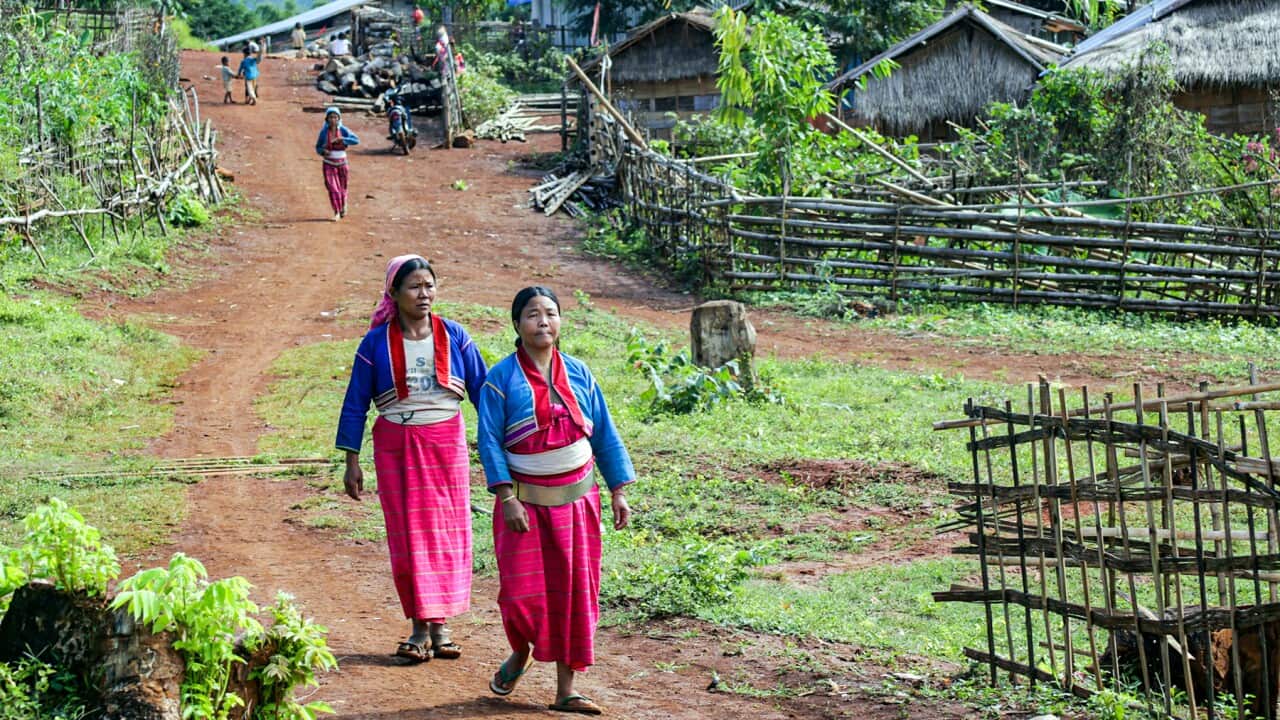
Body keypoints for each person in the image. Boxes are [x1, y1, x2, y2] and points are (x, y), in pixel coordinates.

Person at [478, 286, 635, 716]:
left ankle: (566, 689)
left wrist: (618, 490)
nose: (543, 321)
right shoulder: (500, 379)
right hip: (524, 505)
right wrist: (506, 496)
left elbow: (604, 434)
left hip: (579, 502)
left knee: (574, 593)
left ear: (561, 322)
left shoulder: (582, 374)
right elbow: (489, 441)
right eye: (532, 314)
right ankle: (520, 651)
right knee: (520, 594)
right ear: (517, 325)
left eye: (550, 313)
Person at [336, 255, 488, 664]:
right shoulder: (374, 344)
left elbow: (484, 395)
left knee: (446, 531)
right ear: (394, 294)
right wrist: (351, 460)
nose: (424, 294)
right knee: (408, 535)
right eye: (415, 287)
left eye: (429, 286)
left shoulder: (456, 336)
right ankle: (420, 628)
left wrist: (503, 446)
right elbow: (355, 404)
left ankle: (440, 628)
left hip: (445, 443)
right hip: (395, 445)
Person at [315, 107, 359, 221]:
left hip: (342, 162)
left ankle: (343, 205)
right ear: (327, 119)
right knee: (333, 188)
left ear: (339, 118)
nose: (333, 120)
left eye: (335, 117)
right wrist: (323, 151)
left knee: (342, 187)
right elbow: (318, 147)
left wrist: (342, 139)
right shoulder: (324, 132)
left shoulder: (343, 130)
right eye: (330, 117)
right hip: (329, 163)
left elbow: (356, 140)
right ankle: (336, 211)